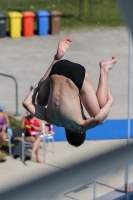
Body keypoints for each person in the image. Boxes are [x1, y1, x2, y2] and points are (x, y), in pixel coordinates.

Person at [22, 38, 117, 147]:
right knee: (41, 101)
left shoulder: (81, 126)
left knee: (98, 114)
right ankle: (56, 58)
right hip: (57, 68)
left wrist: (110, 101)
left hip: (76, 74)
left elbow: (99, 119)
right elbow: (26, 103)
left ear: (81, 132)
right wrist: (38, 85)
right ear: (66, 132)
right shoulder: (49, 118)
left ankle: (104, 70)